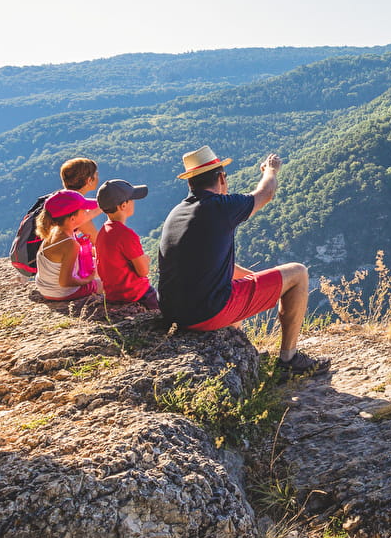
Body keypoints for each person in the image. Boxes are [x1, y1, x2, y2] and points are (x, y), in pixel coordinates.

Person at [158, 145, 328, 375]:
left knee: (236, 289)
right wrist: (270, 170)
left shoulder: (177, 212)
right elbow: (265, 194)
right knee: (297, 273)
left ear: (190, 183)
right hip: (206, 312)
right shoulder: (219, 207)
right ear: (221, 178)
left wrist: (255, 279)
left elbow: (206, 264)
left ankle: (244, 354)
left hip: (174, 312)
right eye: (224, 177)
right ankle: (289, 359)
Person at [95, 178, 159, 310]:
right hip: (135, 293)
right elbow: (143, 271)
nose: (134, 202)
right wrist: (145, 260)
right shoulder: (126, 235)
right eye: (132, 199)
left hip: (113, 294)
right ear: (123, 205)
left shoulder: (102, 232)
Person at [34, 189, 102, 301]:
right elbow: (65, 281)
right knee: (108, 283)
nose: (87, 211)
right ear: (72, 219)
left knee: (97, 263)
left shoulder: (56, 231)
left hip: (46, 287)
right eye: (84, 210)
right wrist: (88, 280)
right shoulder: (70, 244)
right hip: (62, 292)